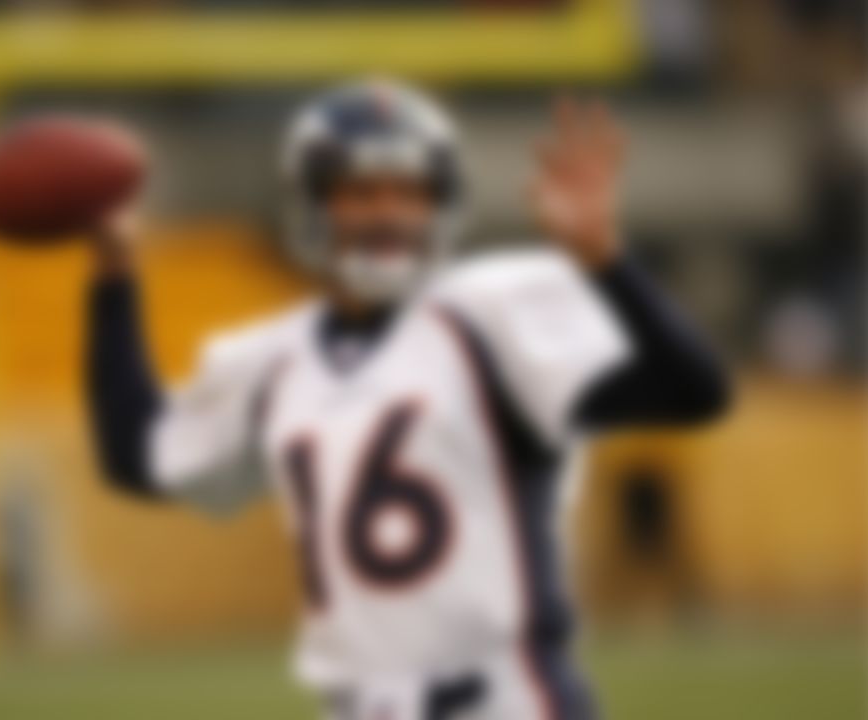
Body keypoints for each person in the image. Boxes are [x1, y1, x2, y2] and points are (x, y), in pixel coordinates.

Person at [86, 79, 730, 720]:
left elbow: (694, 393)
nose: (389, 211)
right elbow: (137, 454)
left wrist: (607, 262)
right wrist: (115, 276)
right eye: (361, 192)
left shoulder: (488, 316)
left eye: (411, 192)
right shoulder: (272, 360)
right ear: (314, 205)